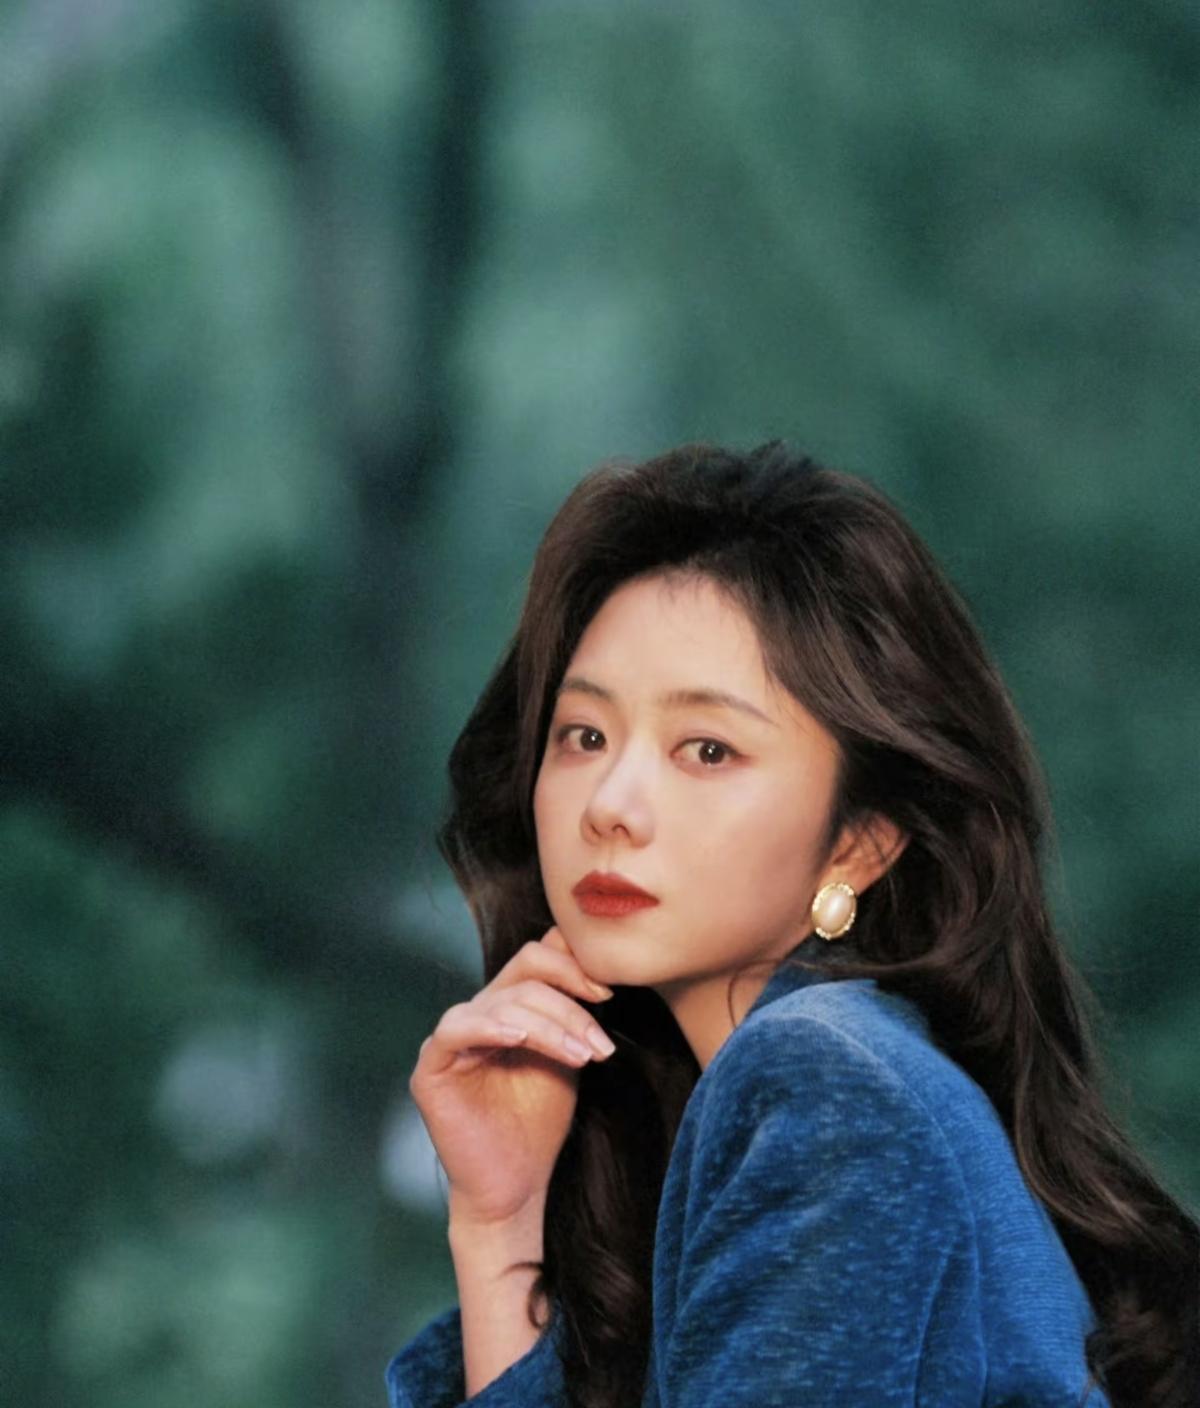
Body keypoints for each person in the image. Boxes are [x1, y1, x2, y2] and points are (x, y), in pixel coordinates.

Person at [387, 443, 1198, 1407]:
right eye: (585, 736)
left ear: (860, 842)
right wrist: (500, 1225)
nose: (610, 805)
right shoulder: (821, 1085)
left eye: (707, 749)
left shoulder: (821, 1086)